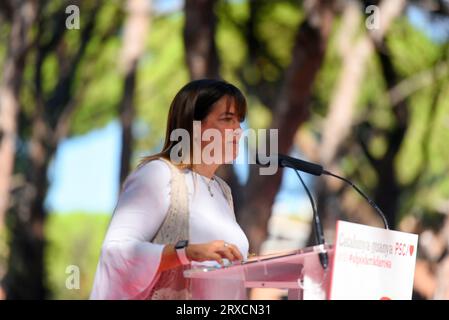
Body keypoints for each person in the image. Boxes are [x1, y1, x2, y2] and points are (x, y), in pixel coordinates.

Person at [90, 79, 249, 300]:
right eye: (227, 119)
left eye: (239, 121)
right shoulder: (158, 174)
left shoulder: (223, 191)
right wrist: (185, 252)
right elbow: (116, 252)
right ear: (194, 125)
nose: (238, 131)